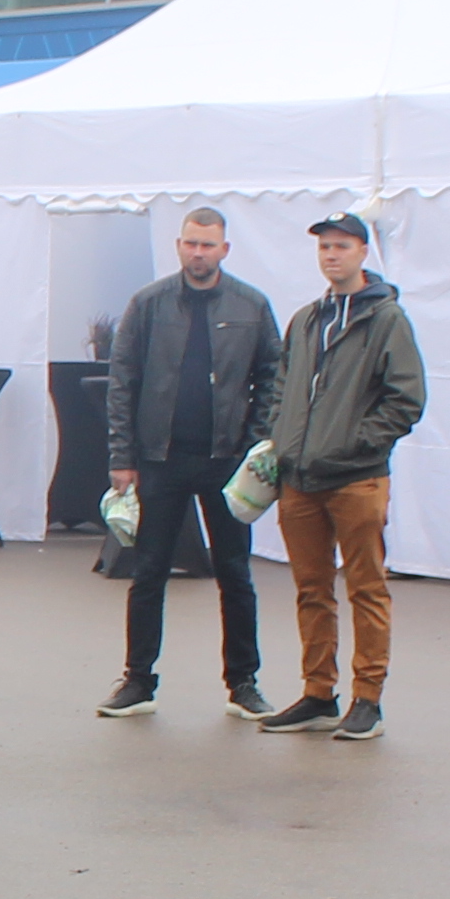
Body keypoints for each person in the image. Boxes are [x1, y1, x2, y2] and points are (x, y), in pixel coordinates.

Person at [97, 207, 278, 721]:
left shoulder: (251, 305)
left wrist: (256, 446)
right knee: (149, 572)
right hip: (160, 459)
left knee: (235, 573)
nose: (199, 253)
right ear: (179, 246)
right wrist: (122, 456)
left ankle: (243, 682)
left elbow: (273, 377)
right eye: (191, 244)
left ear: (225, 249)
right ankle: (137, 680)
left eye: (208, 245)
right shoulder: (148, 304)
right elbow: (122, 382)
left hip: (226, 462)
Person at [252, 212, 425, 739]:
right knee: (311, 588)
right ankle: (317, 692)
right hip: (299, 479)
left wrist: (355, 442)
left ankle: (367, 698)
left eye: (342, 246)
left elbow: (406, 398)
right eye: (325, 246)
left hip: (356, 478)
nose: (332, 255)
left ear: (363, 253)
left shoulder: (387, 320)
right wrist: (279, 440)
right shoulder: (306, 319)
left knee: (366, 587)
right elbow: (283, 386)